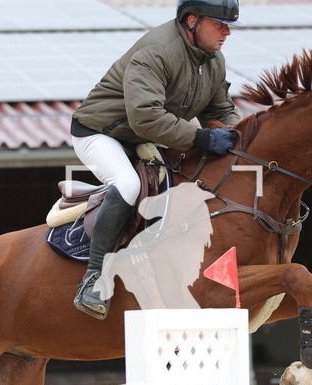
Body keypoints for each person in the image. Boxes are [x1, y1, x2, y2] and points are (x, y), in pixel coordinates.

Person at [70, 0, 243, 319]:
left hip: (146, 138)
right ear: (192, 21)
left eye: (227, 26)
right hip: (101, 133)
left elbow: (219, 112)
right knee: (128, 184)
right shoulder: (156, 50)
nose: (227, 32)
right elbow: (145, 116)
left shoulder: (213, 60)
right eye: (220, 24)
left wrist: (245, 138)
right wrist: (200, 138)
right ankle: (94, 280)